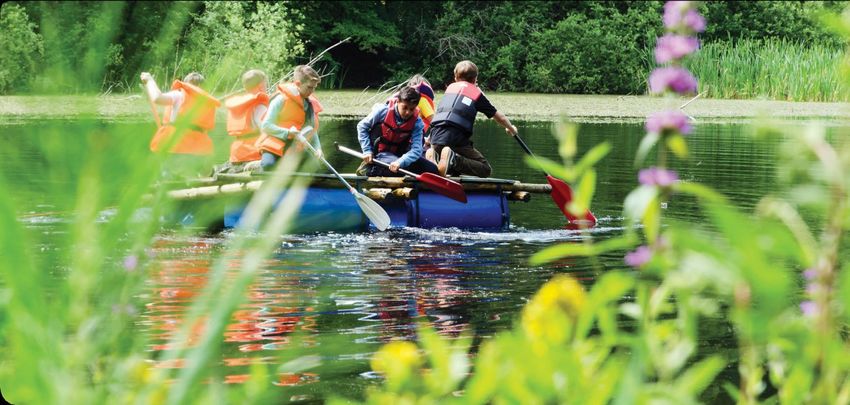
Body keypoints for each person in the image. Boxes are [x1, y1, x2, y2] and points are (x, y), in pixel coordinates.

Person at [429, 60, 518, 178]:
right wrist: (511, 128)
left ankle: (435, 157)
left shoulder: (450, 89)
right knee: (485, 169)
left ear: (455, 78)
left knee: (449, 163)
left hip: (435, 138)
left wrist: (429, 140)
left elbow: (443, 117)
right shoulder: (476, 94)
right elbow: (499, 117)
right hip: (455, 139)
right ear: (475, 79)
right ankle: (453, 160)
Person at [140, 71, 221, 177]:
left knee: (167, 174)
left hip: (175, 146)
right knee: (200, 173)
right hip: (199, 150)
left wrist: (150, 80)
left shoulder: (179, 94)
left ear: (186, 84)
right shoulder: (206, 101)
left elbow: (157, 98)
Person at [356, 86, 439, 177]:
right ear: (398, 101)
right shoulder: (382, 111)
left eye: (412, 109)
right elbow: (362, 126)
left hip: (401, 154)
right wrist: (367, 151)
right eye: (405, 107)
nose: (408, 112)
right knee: (399, 171)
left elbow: (417, 150)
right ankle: (369, 169)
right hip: (380, 153)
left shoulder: (417, 122)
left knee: (433, 170)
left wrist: (401, 161)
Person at [257, 65, 323, 170]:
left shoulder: (309, 103)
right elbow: (265, 126)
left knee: (317, 169)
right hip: (274, 144)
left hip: (295, 147)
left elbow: (312, 129)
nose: (312, 91)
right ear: (298, 84)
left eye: (314, 88)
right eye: (309, 87)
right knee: (268, 166)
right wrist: (288, 133)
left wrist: (318, 148)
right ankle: (257, 165)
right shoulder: (280, 99)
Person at [215, 69, 269, 173]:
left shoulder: (238, 104)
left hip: (236, 154)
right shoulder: (259, 105)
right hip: (253, 154)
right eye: (265, 84)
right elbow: (266, 128)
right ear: (261, 85)